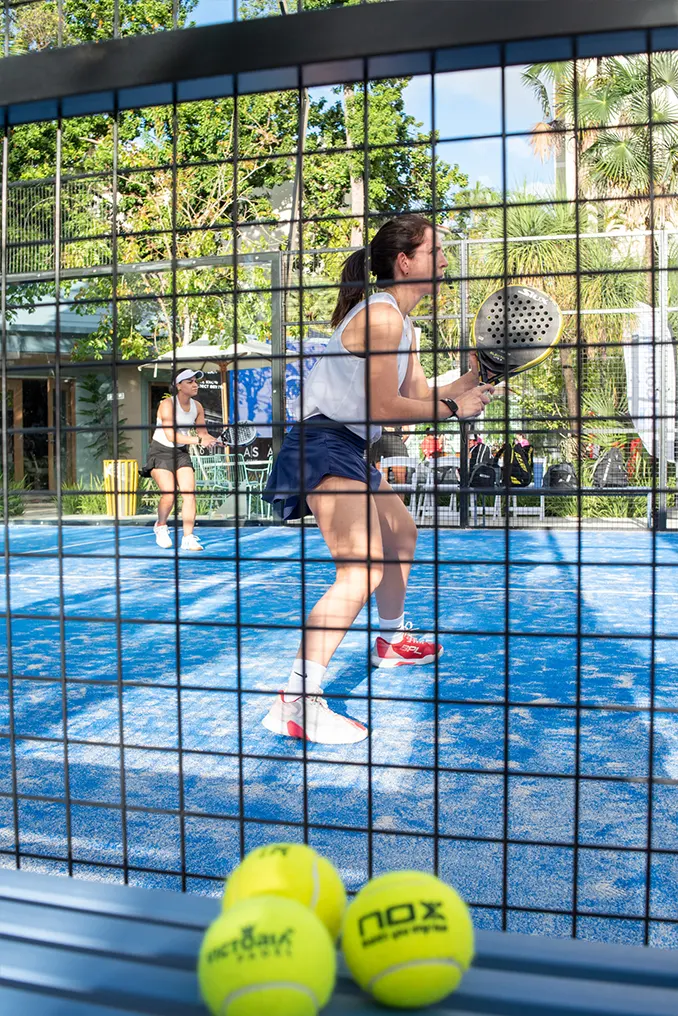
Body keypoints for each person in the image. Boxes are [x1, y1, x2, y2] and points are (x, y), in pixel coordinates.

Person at [262, 213, 493, 744]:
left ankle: (389, 642)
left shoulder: (402, 324)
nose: (444, 261)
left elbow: (414, 396)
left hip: (346, 445)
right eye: (435, 252)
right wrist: (455, 409)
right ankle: (295, 701)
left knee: (402, 532)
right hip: (322, 442)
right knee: (360, 569)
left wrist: (471, 380)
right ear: (405, 262)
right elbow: (388, 407)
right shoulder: (383, 317)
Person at [142, 369, 221, 551]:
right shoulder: (167, 405)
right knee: (169, 494)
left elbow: (202, 433)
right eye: (189, 381)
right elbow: (171, 436)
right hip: (160, 451)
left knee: (189, 494)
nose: (195, 385)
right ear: (178, 386)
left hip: (181, 453)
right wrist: (199, 441)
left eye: (195, 381)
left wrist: (213, 440)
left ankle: (188, 538)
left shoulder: (197, 407)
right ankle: (161, 526)